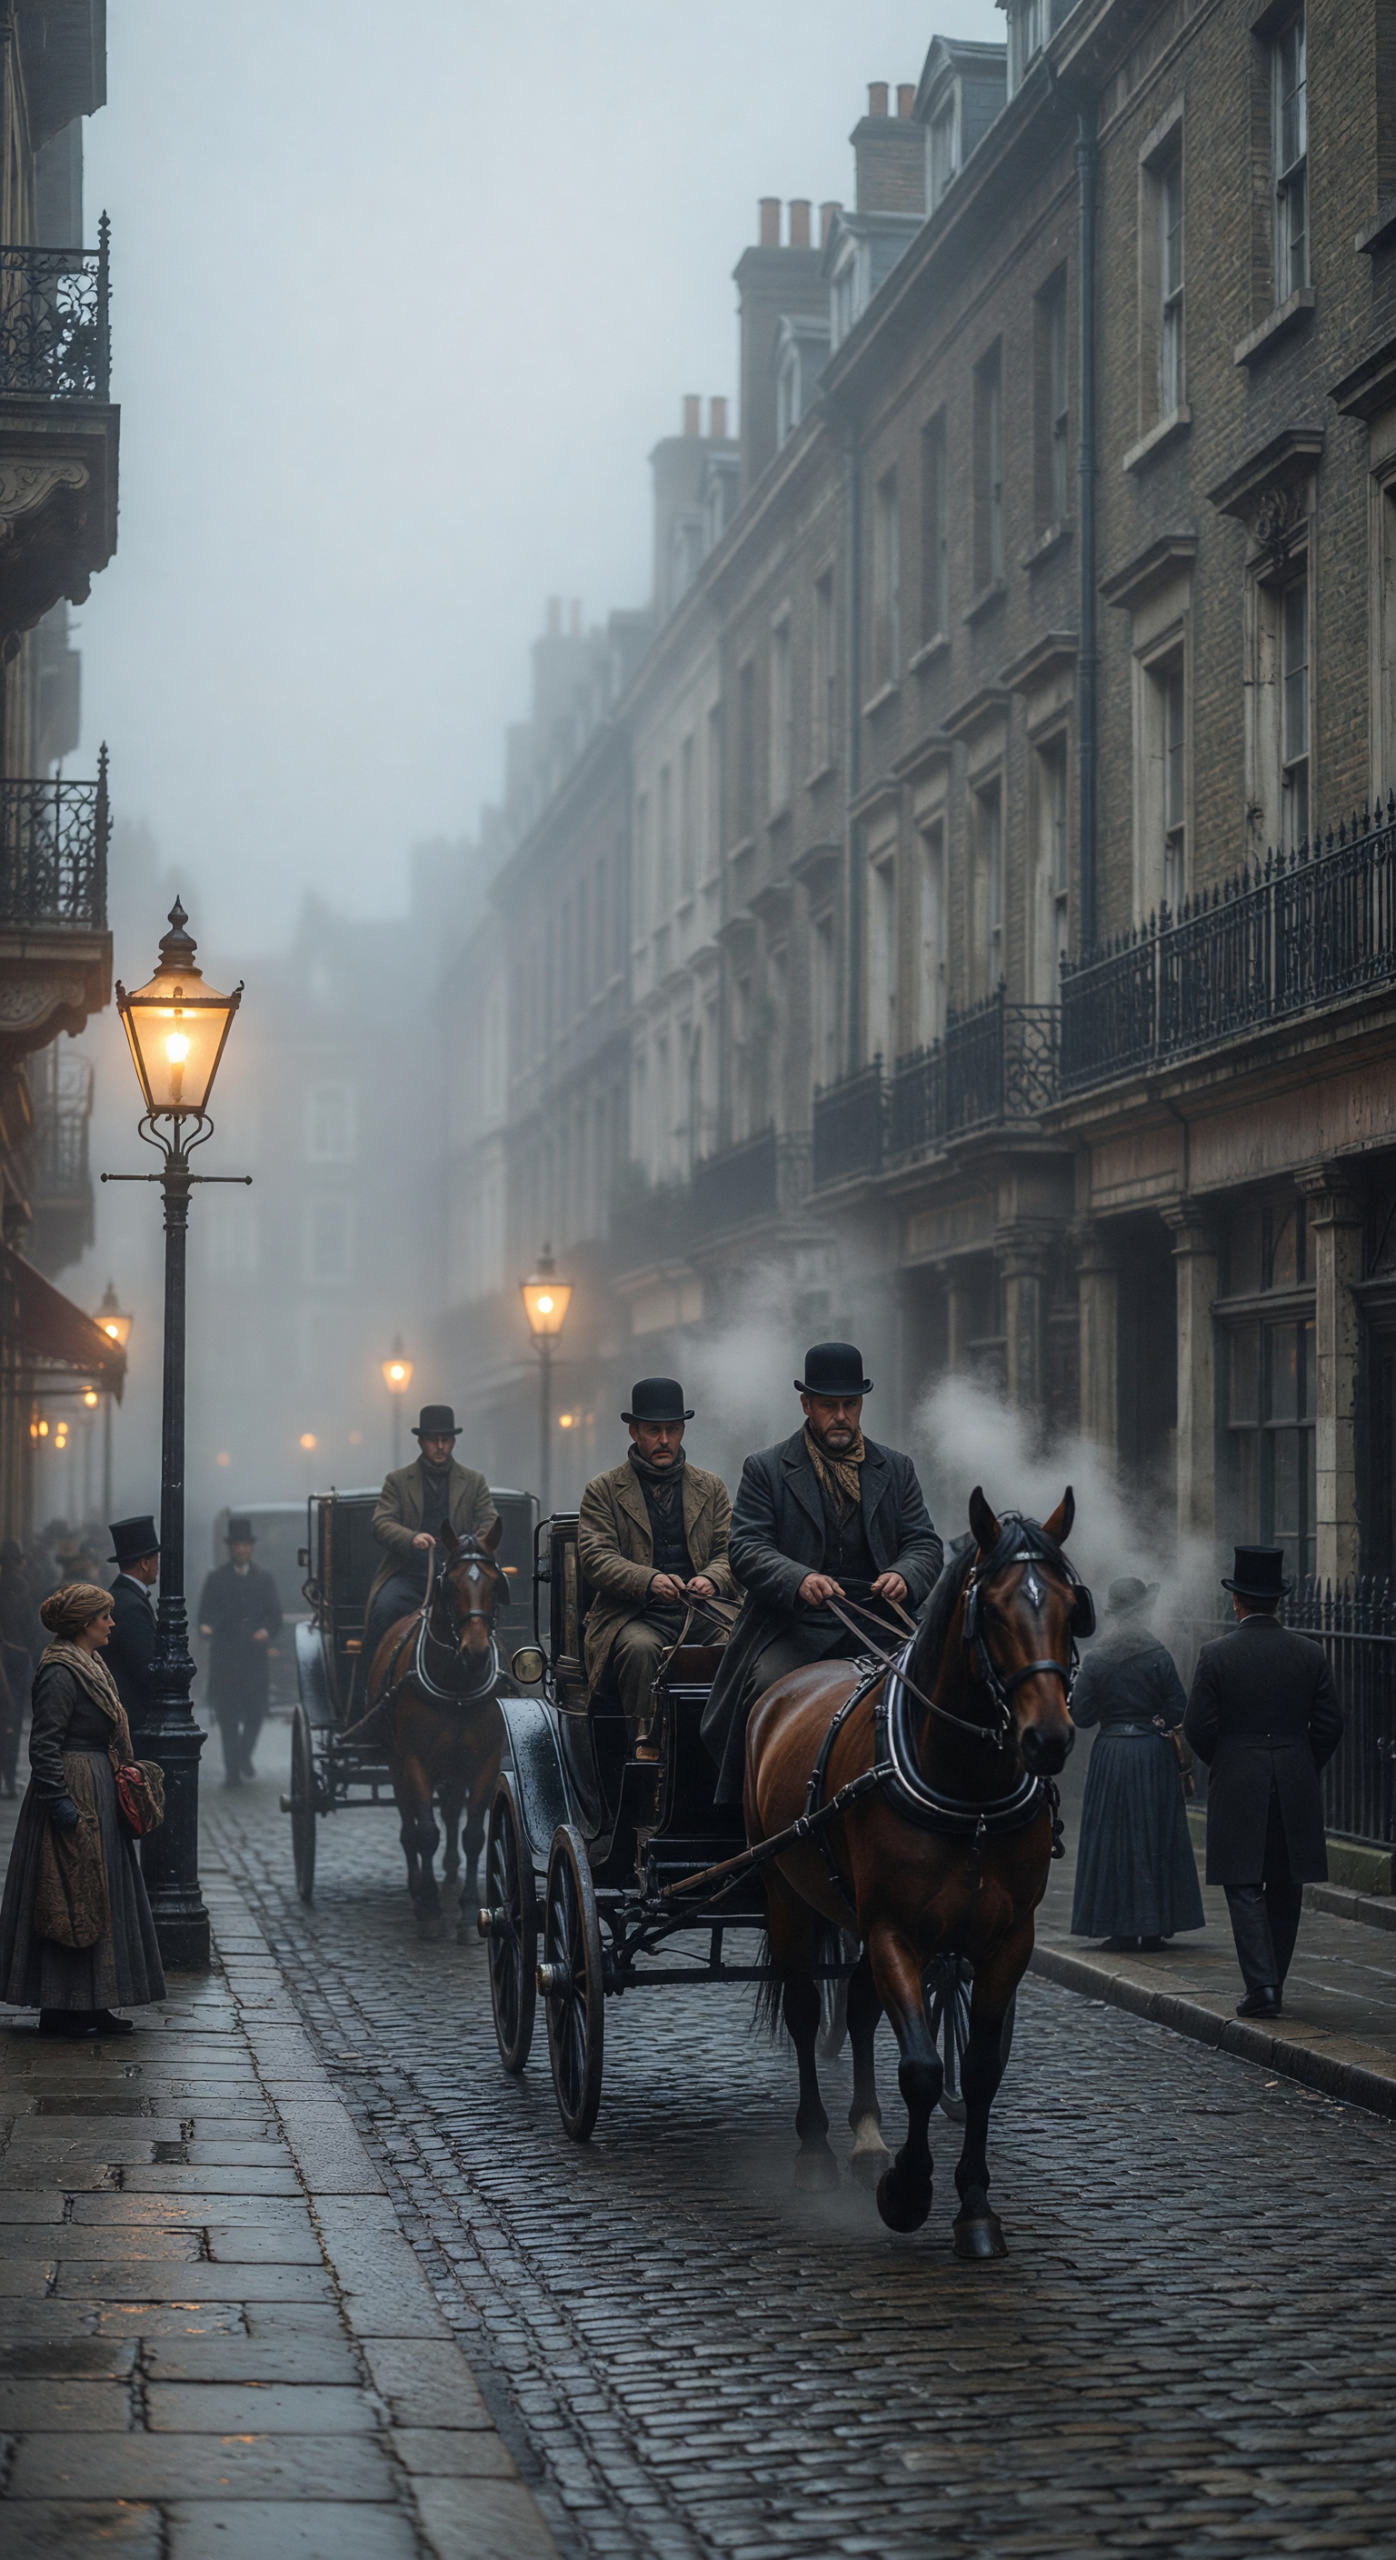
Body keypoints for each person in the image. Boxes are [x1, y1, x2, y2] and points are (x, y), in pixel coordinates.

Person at [701, 1341, 942, 1806]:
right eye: (829, 1405)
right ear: (806, 1404)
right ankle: (750, 1813)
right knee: (762, 1691)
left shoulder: (896, 1468)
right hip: (794, 1627)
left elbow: (924, 1543)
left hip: (882, 1624)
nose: (841, 1416)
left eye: (850, 1405)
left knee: (941, 1693)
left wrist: (905, 1575)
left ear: (860, 1406)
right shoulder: (766, 1469)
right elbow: (746, 1548)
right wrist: (798, 1579)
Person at [1184, 1544, 1344, 2019]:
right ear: (1279, 1601)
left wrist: (1231, 1760)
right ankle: (1274, 1981)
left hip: (1239, 1780)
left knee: (1244, 1884)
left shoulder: (1215, 1655)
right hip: (1295, 1778)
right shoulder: (1310, 1653)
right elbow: (1331, 1724)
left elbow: (1197, 1729)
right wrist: (1300, 1761)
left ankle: (1263, 1986)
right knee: (1286, 1883)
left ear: (1237, 1601)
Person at [0, 1581, 164, 2037]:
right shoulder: (59, 1670)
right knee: (67, 1896)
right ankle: (59, 2007)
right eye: (105, 1617)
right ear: (84, 1624)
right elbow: (44, 1745)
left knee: (99, 1896)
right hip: (72, 1794)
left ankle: (93, 2003)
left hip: (97, 1788)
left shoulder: (91, 1663)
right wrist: (61, 1805)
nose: (113, 1623)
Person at [577, 1377, 738, 1759]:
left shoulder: (711, 1487)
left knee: (741, 1642)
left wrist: (711, 1578)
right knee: (639, 1649)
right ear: (634, 1432)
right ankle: (646, 1747)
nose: (664, 1440)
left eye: (672, 1429)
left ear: (682, 1431)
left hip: (702, 1611)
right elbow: (596, 1558)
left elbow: (732, 1551)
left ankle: (728, 1742)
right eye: (654, 1430)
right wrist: (649, 1581)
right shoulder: (603, 1490)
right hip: (633, 1615)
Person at [1069, 1575, 1204, 1952]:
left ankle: (1119, 1928)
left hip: (1111, 1753)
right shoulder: (1159, 1655)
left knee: (1112, 1838)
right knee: (1153, 1836)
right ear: (1142, 1613)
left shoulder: (1096, 1659)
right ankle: (1154, 1926)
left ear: (1114, 1615)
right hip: (1151, 1754)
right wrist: (1156, 1719)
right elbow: (1179, 1709)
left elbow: (1080, 1716)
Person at [365, 1404, 497, 1664]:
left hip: (460, 1576)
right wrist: (411, 1538)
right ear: (421, 1441)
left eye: (445, 1439)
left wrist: (470, 1547)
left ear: (453, 1441)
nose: (440, 1445)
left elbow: (489, 1522)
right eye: (433, 1440)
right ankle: (375, 1688)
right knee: (384, 1610)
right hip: (410, 1576)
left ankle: (503, 1677)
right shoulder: (398, 1481)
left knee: (498, 1610)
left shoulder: (474, 1481)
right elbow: (381, 1522)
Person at [198, 1517, 284, 1785]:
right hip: (226, 1659)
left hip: (255, 1660)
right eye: (236, 1545)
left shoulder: (264, 1579)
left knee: (256, 1713)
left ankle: (244, 1754)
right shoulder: (216, 1579)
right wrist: (206, 1628)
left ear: (251, 1548)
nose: (241, 1550)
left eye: (245, 1545)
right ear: (230, 1549)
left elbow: (275, 1617)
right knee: (227, 1716)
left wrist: (266, 1632)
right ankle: (232, 1770)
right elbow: (204, 1615)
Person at [105, 1516, 161, 1737]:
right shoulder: (132, 1606)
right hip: (133, 1718)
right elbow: (145, 1668)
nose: (158, 1566)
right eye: (156, 1559)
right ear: (145, 1562)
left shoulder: (120, 1596)